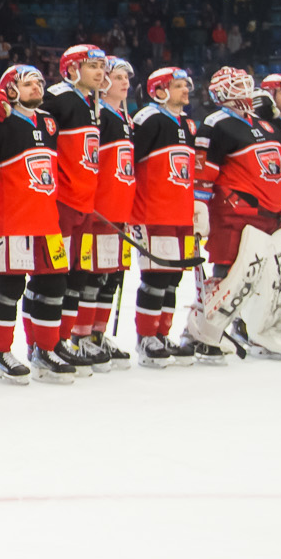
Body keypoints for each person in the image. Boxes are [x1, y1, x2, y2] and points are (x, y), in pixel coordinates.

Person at [187, 67, 281, 358]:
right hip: (234, 213)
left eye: (244, 84)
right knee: (230, 274)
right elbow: (203, 170)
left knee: (272, 276)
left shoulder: (265, 125)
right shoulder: (216, 124)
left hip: (269, 215)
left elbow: (274, 173)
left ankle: (257, 330)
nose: (243, 90)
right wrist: (199, 206)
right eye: (236, 85)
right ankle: (201, 333)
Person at [0, 64, 77, 384]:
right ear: (10, 90)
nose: (37, 87)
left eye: (39, 83)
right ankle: (1, 353)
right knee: (9, 288)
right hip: (10, 220)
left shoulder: (48, 122)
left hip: (46, 219)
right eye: (28, 83)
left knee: (54, 284)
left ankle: (44, 349)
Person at [128, 66, 201, 366]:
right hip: (152, 212)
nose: (186, 90)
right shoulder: (148, 119)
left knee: (173, 277)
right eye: (178, 85)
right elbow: (129, 163)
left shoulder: (189, 124)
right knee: (155, 277)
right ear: (160, 91)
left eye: (186, 85)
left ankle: (162, 334)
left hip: (180, 213)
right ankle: (146, 338)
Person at [44, 43, 109, 371]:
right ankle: (44, 344)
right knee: (52, 278)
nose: (99, 72)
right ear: (71, 69)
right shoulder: (57, 97)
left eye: (101, 66)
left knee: (77, 277)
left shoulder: (91, 102)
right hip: (62, 204)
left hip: (85, 205)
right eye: (92, 66)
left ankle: (63, 340)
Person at [81, 56, 139, 367]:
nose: (124, 82)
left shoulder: (125, 118)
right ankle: (81, 335)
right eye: (117, 77)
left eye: (126, 77)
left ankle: (97, 334)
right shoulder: (98, 115)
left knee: (112, 277)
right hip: (99, 212)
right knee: (94, 276)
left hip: (121, 211)